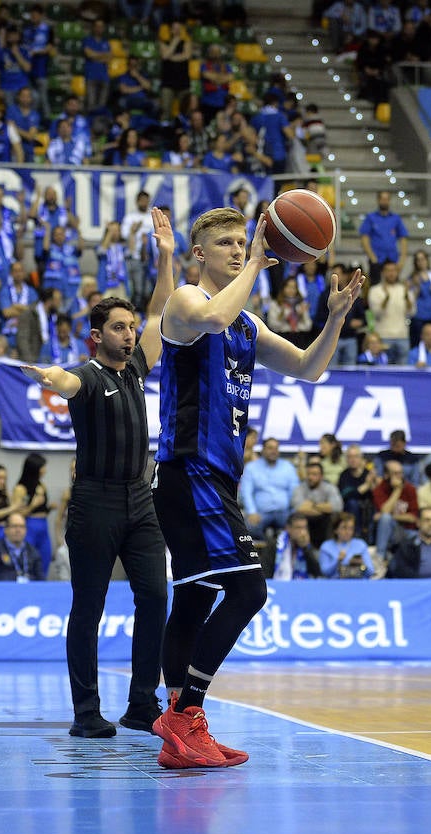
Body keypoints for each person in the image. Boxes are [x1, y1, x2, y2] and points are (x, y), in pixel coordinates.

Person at [150, 207, 364, 768]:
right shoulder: (188, 303)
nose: (238, 250)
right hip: (187, 469)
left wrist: (335, 318)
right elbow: (215, 318)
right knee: (249, 591)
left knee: (196, 596)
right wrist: (263, 261)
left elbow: (307, 368)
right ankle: (183, 713)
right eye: (225, 244)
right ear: (199, 254)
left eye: (242, 243)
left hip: (215, 476)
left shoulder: (248, 324)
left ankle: (181, 727)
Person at [19, 208, 176, 741]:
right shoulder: (85, 377)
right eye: (118, 327)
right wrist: (47, 375)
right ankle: (86, 712)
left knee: (156, 596)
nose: (130, 334)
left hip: (141, 503)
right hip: (94, 505)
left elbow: (163, 312)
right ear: (95, 337)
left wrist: (167, 255)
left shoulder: (136, 367)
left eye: (131, 328)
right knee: (88, 609)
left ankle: (140, 704)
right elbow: (62, 381)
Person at [241, 437, 300, 541]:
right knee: (248, 528)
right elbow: (246, 492)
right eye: (270, 448)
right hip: (261, 513)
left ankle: (280, 546)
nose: (273, 451)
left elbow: (295, 491)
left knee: (298, 526)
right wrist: (252, 512)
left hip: (284, 513)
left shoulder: (288, 467)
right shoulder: (251, 467)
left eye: (276, 448)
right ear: (263, 450)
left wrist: (294, 512)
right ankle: (269, 547)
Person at [291, 459, 342, 546]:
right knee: (297, 517)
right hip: (306, 521)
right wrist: (323, 507)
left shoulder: (329, 488)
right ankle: (303, 547)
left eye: (314, 474)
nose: (310, 477)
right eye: (308, 474)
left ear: (321, 476)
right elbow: (298, 507)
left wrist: (312, 505)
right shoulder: (300, 488)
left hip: (325, 523)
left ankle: (328, 547)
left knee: (332, 517)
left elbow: (337, 506)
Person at [0, 513, 44, 582]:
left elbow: (41, 580)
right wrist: (16, 579)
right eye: (14, 526)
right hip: (4, 591)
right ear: (5, 529)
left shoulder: (33, 552)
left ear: (26, 530)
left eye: (22, 526)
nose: (18, 530)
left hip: (29, 591)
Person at [260, 513, 322, 580]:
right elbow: (265, 572)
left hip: (300, 587)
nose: (303, 532)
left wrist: (305, 548)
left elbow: (317, 572)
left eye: (305, 528)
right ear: (288, 528)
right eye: (298, 528)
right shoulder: (275, 545)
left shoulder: (307, 546)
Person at [319, 512, 374, 579]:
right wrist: (337, 561)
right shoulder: (326, 546)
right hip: (335, 585)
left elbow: (371, 572)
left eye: (351, 528)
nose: (348, 531)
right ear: (335, 530)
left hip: (358, 584)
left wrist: (361, 564)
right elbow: (324, 572)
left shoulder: (361, 545)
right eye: (344, 528)